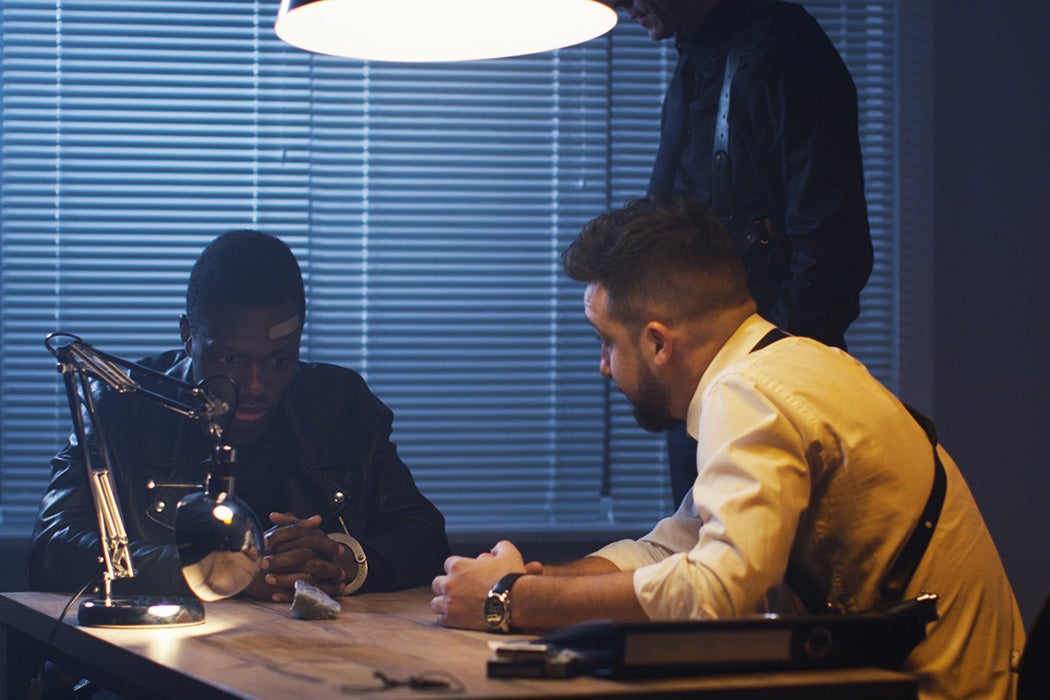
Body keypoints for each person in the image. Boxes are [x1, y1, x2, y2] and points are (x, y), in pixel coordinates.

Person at [430, 196, 1024, 699]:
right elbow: (673, 548)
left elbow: (720, 594)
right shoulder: (789, 365)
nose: (603, 369)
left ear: (659, 343)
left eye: (606, 342)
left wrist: (511, 599)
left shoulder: (747, 392)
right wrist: (531, 579)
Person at [27, 229, 450, 603]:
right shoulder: (122, 403)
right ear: (188, 335)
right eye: (229, 358)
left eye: (279, 360)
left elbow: (423, 533)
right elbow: (53, 547)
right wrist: (220, 572)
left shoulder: (340, 404)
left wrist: (344, 561)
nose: (254, 385)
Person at [606, 0, 875, 505]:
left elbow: (832, 251)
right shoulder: (697, 52)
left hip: (766, 397)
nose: (621, 6)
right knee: (693, 555)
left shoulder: (786, 53)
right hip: (700, 388)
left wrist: (763, 382)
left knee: (749, 576)